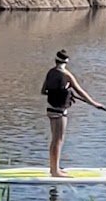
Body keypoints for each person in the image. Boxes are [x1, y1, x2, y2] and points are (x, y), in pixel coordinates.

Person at [41, 49, 101, 177]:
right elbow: (80, 91)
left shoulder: (50, 72)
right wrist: (94, 104)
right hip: (60, 112)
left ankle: (54, 168)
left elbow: (44, 91)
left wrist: (65, 91)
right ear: (66, 62)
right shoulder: (67, 75)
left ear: (56, 61)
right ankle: (55, 171)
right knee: (58, 140)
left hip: (50, 110)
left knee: (54, 139)